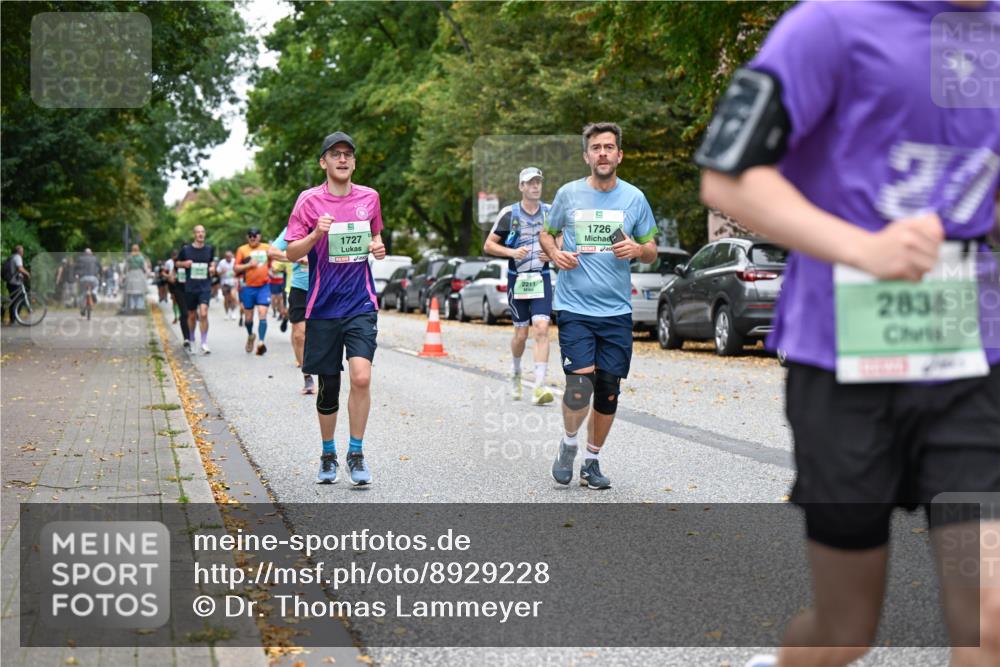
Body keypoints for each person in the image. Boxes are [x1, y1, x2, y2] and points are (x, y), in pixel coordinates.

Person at [695, 3, 1000, 666]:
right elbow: (729, 175)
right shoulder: (831, 23)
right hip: (842, 368)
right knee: (845, 628)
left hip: (968, 371)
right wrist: (866, 249)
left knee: (988, 619)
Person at [539, 122, 657, 490]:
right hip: (575, 307)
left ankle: (592, 461)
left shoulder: (634, 198)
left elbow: (652, 249)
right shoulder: (568, 195)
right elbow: (546, 233)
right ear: (586, 155)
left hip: (617, 311)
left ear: (619, 155)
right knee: (580, 385)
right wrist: (556, 253)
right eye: (596, 148)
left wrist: (638, 250)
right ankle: (569, 444)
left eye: (609, 147)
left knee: (607, 389)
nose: (603, 153)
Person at [284, 131, 387, 486]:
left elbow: (375, 236)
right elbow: (291, 253)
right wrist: (314, 235)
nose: (342, 159)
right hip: (323, 306)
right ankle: (328, 453)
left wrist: (378, 247)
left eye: (348, 154)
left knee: (361, 376)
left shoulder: (369, 198)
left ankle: (355, 453)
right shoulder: (308, 201)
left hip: (360, 302)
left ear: (354, 162)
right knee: (329, 387)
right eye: (335, 154)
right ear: (323, 162)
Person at [484, 167, 556, 405]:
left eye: (538, 182)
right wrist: (512, 251)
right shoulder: (510, 214)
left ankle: (539, 386)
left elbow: (562, 238)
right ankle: (515, 372)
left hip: (542, 277)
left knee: (542, 327)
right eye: (530, 183)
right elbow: (489, 245)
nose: (535, 186)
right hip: (518, 279)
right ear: (521, 187)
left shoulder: (550, 212)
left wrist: (553, 253)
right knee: (521, 333)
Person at [269, 227, 314, 394]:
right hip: (299, 288)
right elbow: (273, 251)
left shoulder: (329, 225)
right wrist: (295, 257)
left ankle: (327, 376)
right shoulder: (293, 229)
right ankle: (307, 377)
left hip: (324, 289)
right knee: (298, 334)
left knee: (322, 334)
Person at [176, 225, 215, 354]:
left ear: (205, 234)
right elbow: (177, 263)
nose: (200, 234)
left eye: (202, 232)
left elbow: (212, 262)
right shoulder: (186, 250)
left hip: (205, 286)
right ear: (194, 234)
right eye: (198, 232)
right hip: (190, 287)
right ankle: (192, 340)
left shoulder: (209, 249)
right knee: (192, 315)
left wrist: (212, 268)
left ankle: (204, 343)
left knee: (203, 313)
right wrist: (184, 264)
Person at [234, 227, 272, 355]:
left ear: (260, 236)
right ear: (247, 237)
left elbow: (274, 261)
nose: (252, 237)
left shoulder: (267, 248)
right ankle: (250, 335)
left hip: (264, 286)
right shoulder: (242, 250)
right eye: (250, 235)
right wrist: (248, 265)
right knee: (248, 318)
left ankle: (261, 342)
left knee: (262, 312)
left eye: (255, 235)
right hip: (248, 288)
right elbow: (236, 268)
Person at [3, 245, 31, 324]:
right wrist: (27, 274)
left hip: (10, 282)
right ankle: (13, 319)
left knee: (13, 301)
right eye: (22, 251)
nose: (23, 252)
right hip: (15, 282)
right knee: (19, 301)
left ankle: (12, 319)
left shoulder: (12, 257)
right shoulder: (18, 257)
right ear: (19, 251)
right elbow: (20, 268)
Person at [74, 249, 101, 317]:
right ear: (91, 253)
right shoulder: (95, 259)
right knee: (96, 285)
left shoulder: (80, 259)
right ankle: (94, 292)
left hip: (83, 278)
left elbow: (76, 268)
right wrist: (100, 275)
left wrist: (77, 275)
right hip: (93, 278)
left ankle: (82, 309)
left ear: (84, 253)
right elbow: (100, 268)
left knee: (82, 293)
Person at [124, 244, 149, 313]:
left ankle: (132, 306)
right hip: (139, 274)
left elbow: (126, 267)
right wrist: (147, 274)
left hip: (131, 274)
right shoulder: (141, 257)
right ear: (138, 249)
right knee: (140, 292)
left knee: (132, 292)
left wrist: (125, 275)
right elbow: (145, 267)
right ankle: (139, 307)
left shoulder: (129, 257)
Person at [216, 250, 238, 320]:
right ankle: (227, 312)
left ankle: (233, 311)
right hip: (224, 283)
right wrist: (222, 271)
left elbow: (239, 270)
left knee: (233, 296)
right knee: (226, 299)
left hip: (233, 282)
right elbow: (217, 273)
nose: (228, 258)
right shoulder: (222, 262)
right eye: (227, 257)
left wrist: (236, 273)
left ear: (232, 256)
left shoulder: (235, 261)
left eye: (229, 256)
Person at [268, 256, 289, 331]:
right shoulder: (273, 260)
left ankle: (282, 315)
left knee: (280, 300)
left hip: (283, 283)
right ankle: (280, 314)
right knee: (274, 300)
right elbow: (273, 270)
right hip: (275, 283)